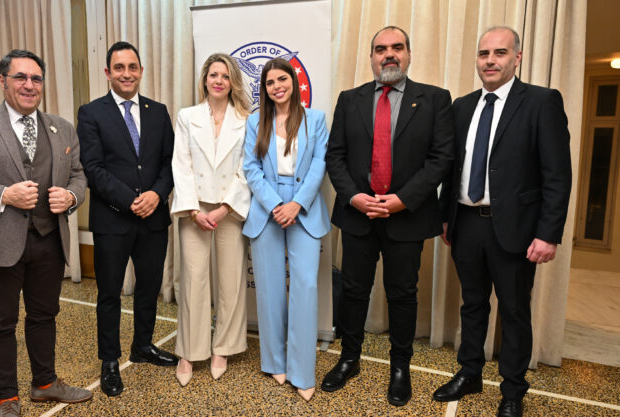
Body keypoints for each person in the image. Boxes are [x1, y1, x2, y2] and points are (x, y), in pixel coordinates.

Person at [0, 49, 91, 417]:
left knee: (44, 316)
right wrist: (3, 194)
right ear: (2, 81)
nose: (29, 85)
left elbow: (78, 175)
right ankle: (6, 398)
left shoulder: (61, 128)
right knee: (0, 323)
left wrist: (71, 196)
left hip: (49, 240)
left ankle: (45, 384)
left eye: (36, 78)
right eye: (20, 77)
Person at [433, 26, 571, 417]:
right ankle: (469, 373)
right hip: (465, 224)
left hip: (515, 229)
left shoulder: (542, 102)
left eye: (500, 53)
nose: (490, 61)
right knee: (472, 304)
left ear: (517, 57)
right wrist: (446, 217)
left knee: (514, 311)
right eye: (484, 54)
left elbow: (557, 175)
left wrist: (548, 234)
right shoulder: (462, 106)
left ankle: (512, 390)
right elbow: (453, 169)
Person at [323, 26, 454, 406]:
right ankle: (349, 359)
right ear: (371, 57)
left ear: (409, 54)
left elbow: (441, 159)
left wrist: (402, 199)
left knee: (402, 295)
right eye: (381, 49)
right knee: (353, 291)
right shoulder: (350, 100)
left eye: (397, 47)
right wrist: (355, 197)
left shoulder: (434, 99)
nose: (389, 54)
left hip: (406, 218)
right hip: (358, 216)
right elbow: (335, 156)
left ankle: (400, 368)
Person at [76, 41, 177, 397]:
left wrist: (156, 194)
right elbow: (93, 168)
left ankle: (143, 346)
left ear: (141, 71)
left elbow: (170, 163)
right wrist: (131, 200)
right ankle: (110, 361)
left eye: (132, 67)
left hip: (153, 219)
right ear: (108, 73)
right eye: (119, 67)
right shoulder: (91, 113)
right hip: (113, 220)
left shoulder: (158, 112)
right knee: (109, 294)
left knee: (149, 287)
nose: (127, 74)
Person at [242, 57, 330, 402]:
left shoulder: (316, 119)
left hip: (304, 207)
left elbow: (320, 164)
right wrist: (275, 204)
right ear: (264, 89)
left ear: (294, 82)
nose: (277, 86)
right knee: (269, 289)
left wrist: (297, 204)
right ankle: (274, 361)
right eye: (270, 82)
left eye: (282, 79)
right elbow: (251, 168)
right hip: (267, 208)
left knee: (305, 288)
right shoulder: (255, 122)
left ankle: (302, 371)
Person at [170, 53, 252, 386]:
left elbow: (247, 169)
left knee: (231, 280)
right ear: (205, 79)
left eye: (225, 75)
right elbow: (181, 165)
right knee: (193, 279)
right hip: (195, 210)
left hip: (229, 210)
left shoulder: (246, 119)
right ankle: (189, 351)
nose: (219, 80)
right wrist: (194, 211)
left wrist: (224, 208)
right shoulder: (187, 116)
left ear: (233, 82)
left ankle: (224, 348)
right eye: (213, 74)